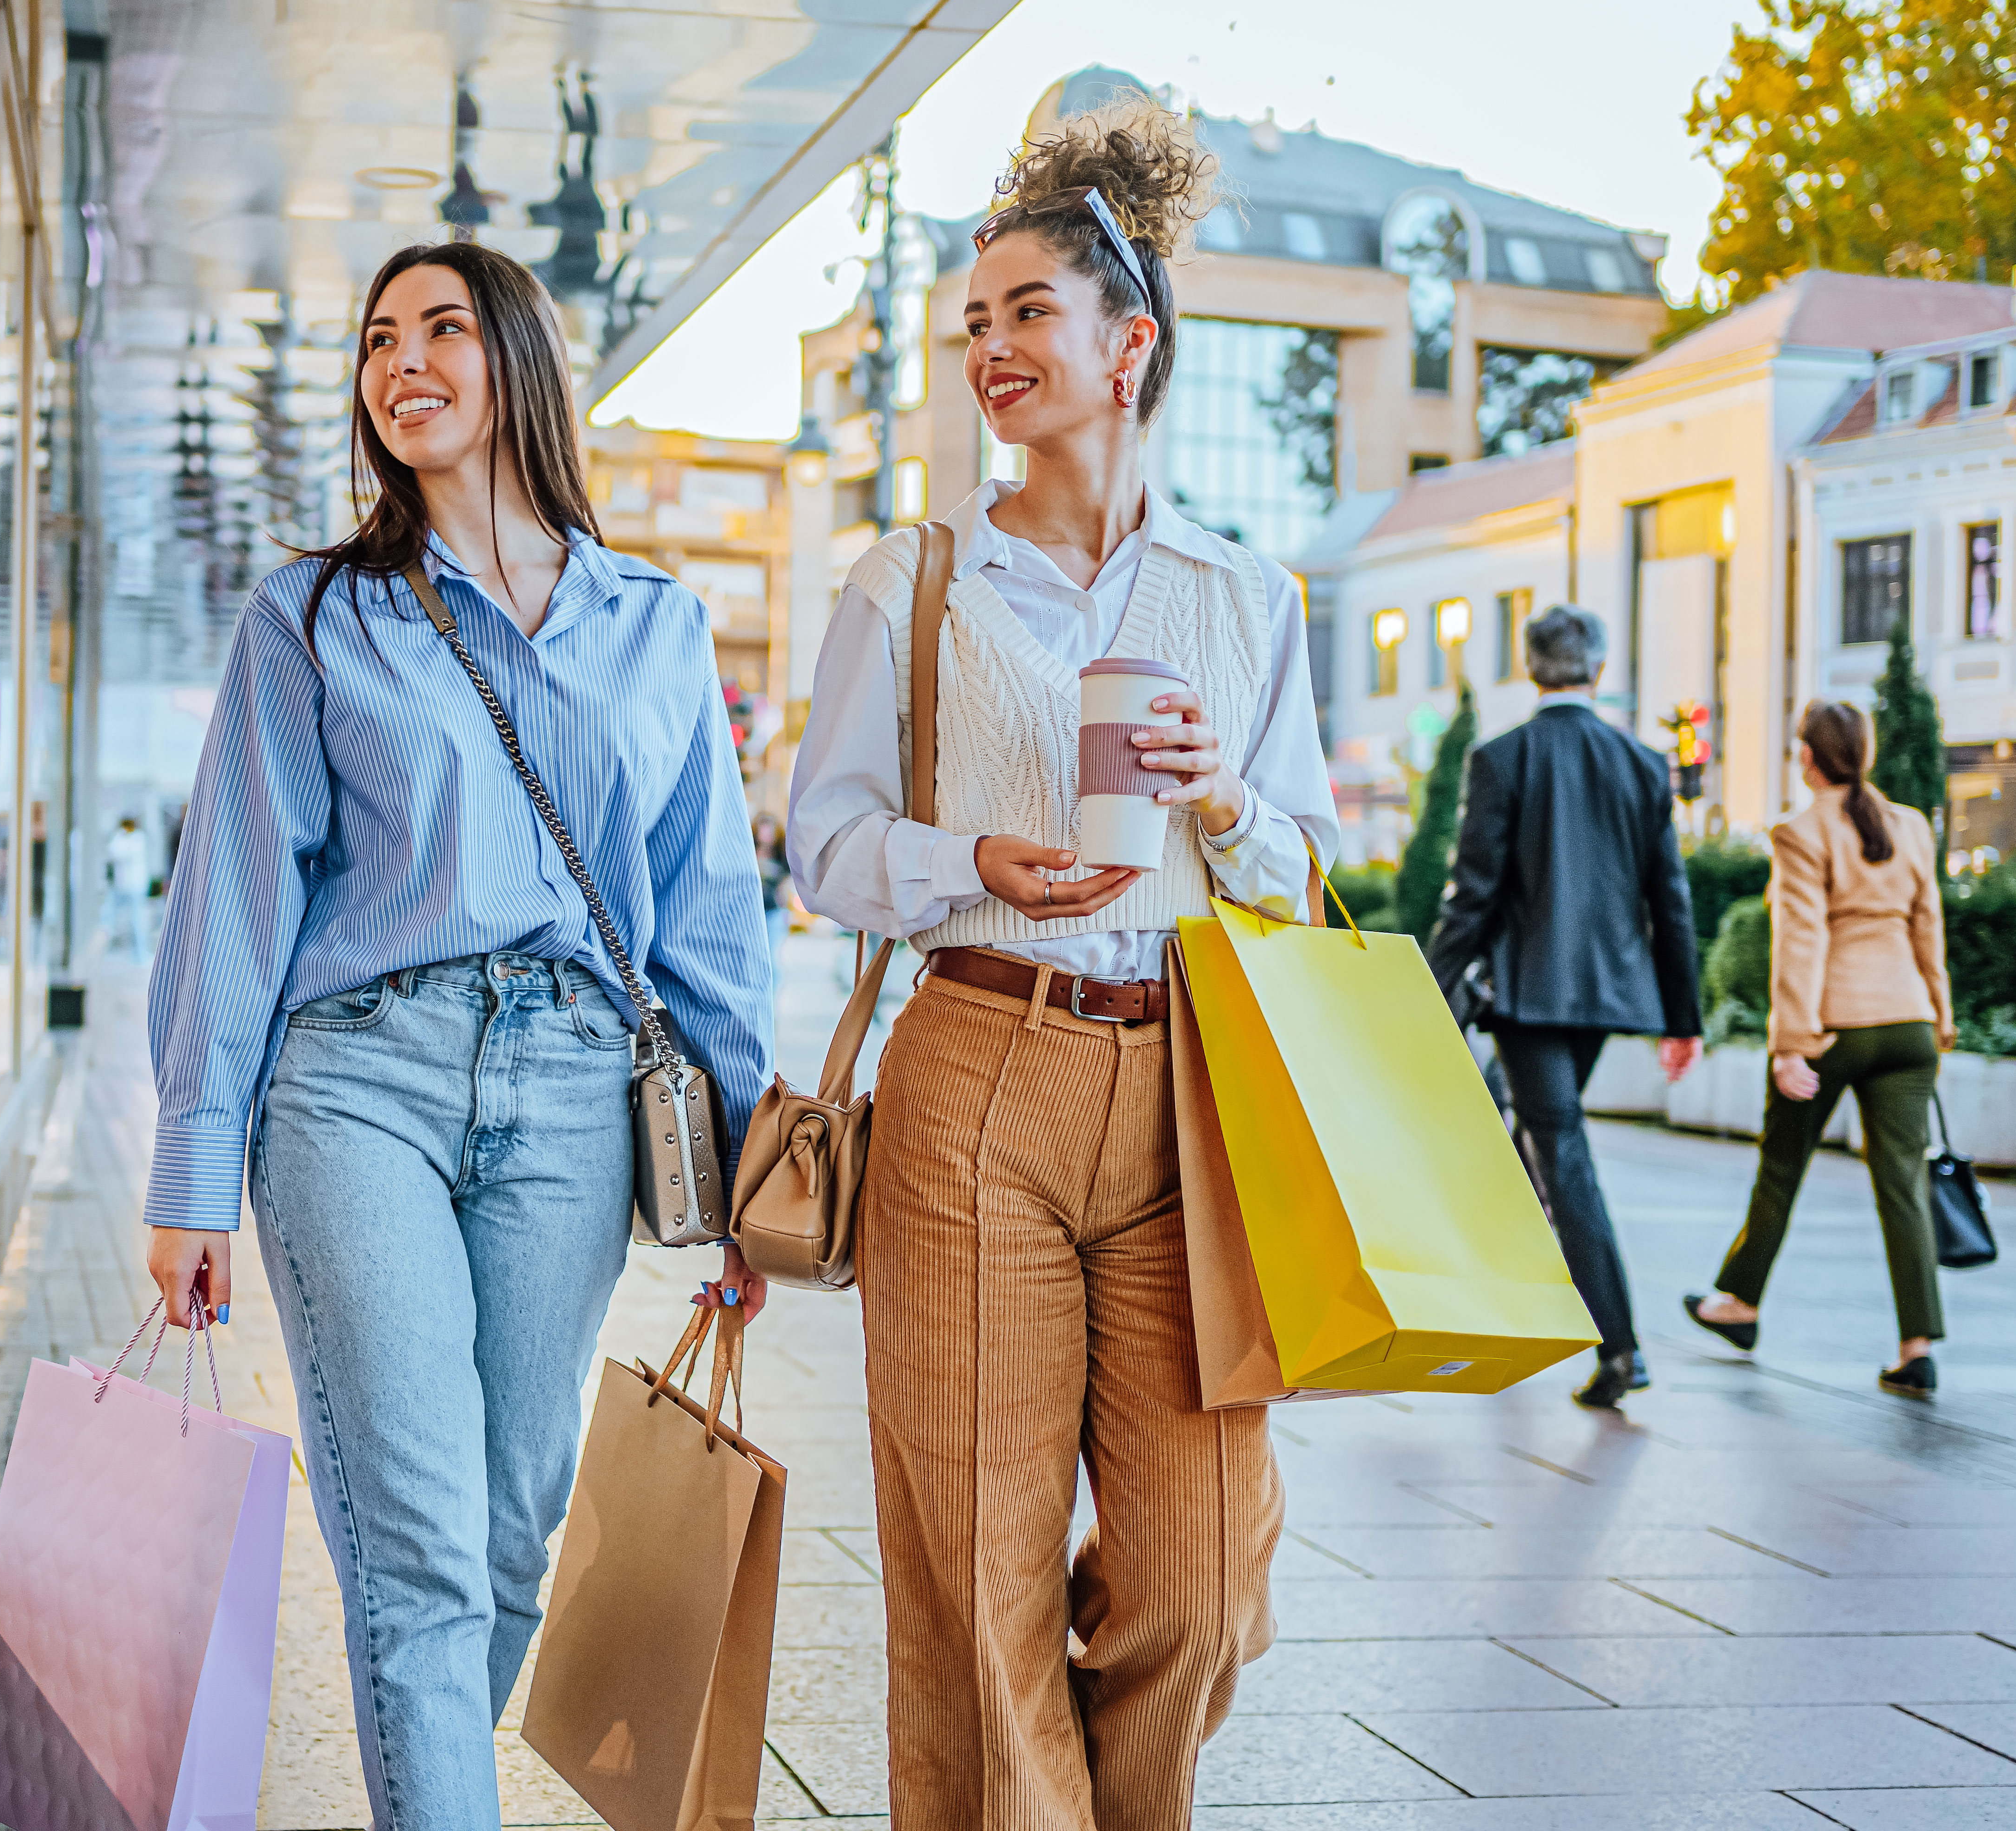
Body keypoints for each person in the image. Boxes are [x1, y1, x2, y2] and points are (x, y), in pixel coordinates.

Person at [139, 240, 773, 1830]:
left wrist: (753, 1162)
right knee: (417, 1541)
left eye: (437, 330)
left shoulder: (655, 626)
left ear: (517, 365)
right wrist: (189, 1169)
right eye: (373, 341)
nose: (398, 362)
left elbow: (703, 916)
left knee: (507, 1529)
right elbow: (232, 888)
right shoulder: (315, 615)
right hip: (356, 1084)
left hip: (571, 1090)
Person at [787, 99, 1336, 1830]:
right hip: (975, 1070)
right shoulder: (918, 578)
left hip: (1185, 1097)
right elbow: (824, 843)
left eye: (1029, 313)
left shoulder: (1251, 600)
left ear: (1129, 343)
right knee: (975, 1556)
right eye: (977, 325)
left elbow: (1306, 878)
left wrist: (1230, 799)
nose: (993, 352)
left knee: (1204, 1577)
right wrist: (971, 864)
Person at [1424, 606, 1702, 1410]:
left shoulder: (1502, 758)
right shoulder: (1643, 763)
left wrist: (1430, 997)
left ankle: (1619, 1347)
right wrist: (1682, 1017)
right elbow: (1670, 901)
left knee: (1558, 1144)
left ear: (1529, 666)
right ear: (1599, 668)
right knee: (1535, 1127)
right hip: (1606, 993)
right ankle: (1506, 1299)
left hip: (1528, 993)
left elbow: (1470, 899)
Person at [1686, 701, 1956, 1397]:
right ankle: (1917, 1345)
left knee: (1781, 1166)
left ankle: (1740, 1305)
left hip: (1835, 1028)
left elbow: (1801, 944)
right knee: (1903, 1185)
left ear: (1807, 757)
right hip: (1909, 1024)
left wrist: (1790, 1045)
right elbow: (1930, 930)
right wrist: (1941, 1021)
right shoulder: (1911, 827)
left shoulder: (1801, 833)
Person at [102, 814, 153, 957]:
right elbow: (112, 852)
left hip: (136, 886)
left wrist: (120, 836)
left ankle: (140, 954)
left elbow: (119, 853)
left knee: (138, 921)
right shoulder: (121, 839)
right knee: (109, 918)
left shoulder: (138, 839)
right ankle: (103, 950)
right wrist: (120, 835)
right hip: (122, 887)